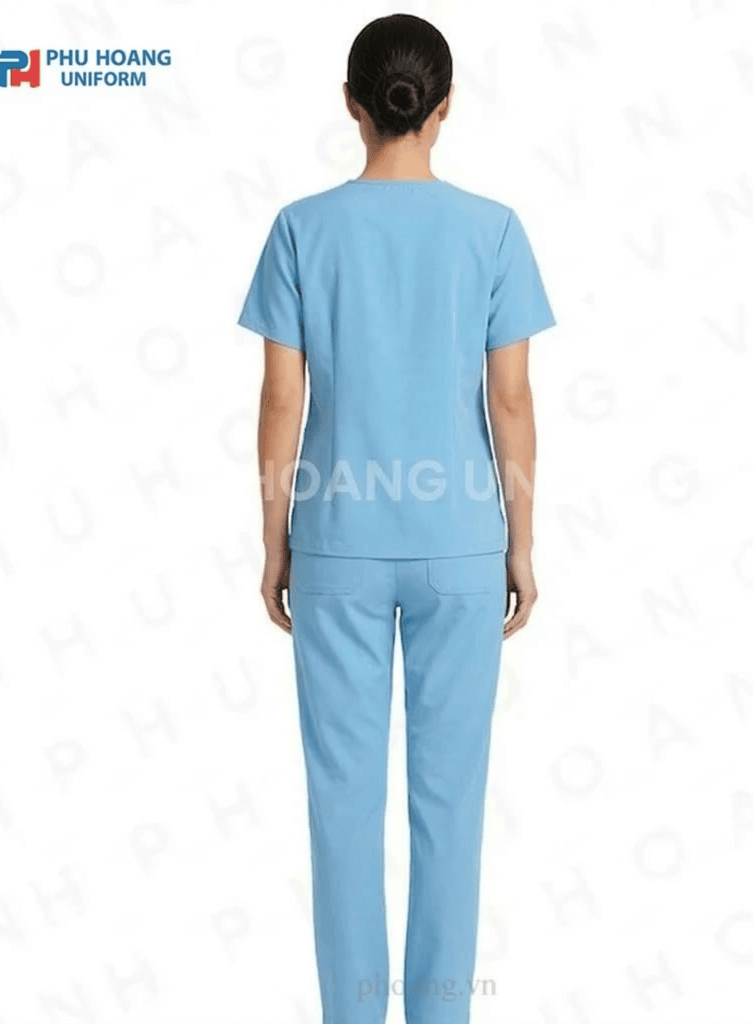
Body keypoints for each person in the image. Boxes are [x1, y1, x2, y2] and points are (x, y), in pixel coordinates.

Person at [236, 13, 555, 1023]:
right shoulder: (493, 230)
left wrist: (275, 539)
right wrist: (521, 541)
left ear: (352, 104)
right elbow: (510, 399)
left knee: (341, 804)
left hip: (336, 544)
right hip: (461, 543)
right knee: (449, 806)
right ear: (445, 107)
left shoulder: (301, 229)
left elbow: (281, 398)